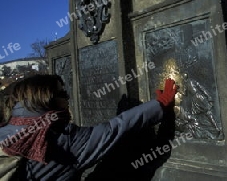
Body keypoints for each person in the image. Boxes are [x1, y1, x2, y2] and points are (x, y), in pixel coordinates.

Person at [0, 74, 177, 180]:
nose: (68, 98)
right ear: (47, 99)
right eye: (63, 93)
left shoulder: (6, 128)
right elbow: (114, 129)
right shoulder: (61, 137)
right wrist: (160, 104)